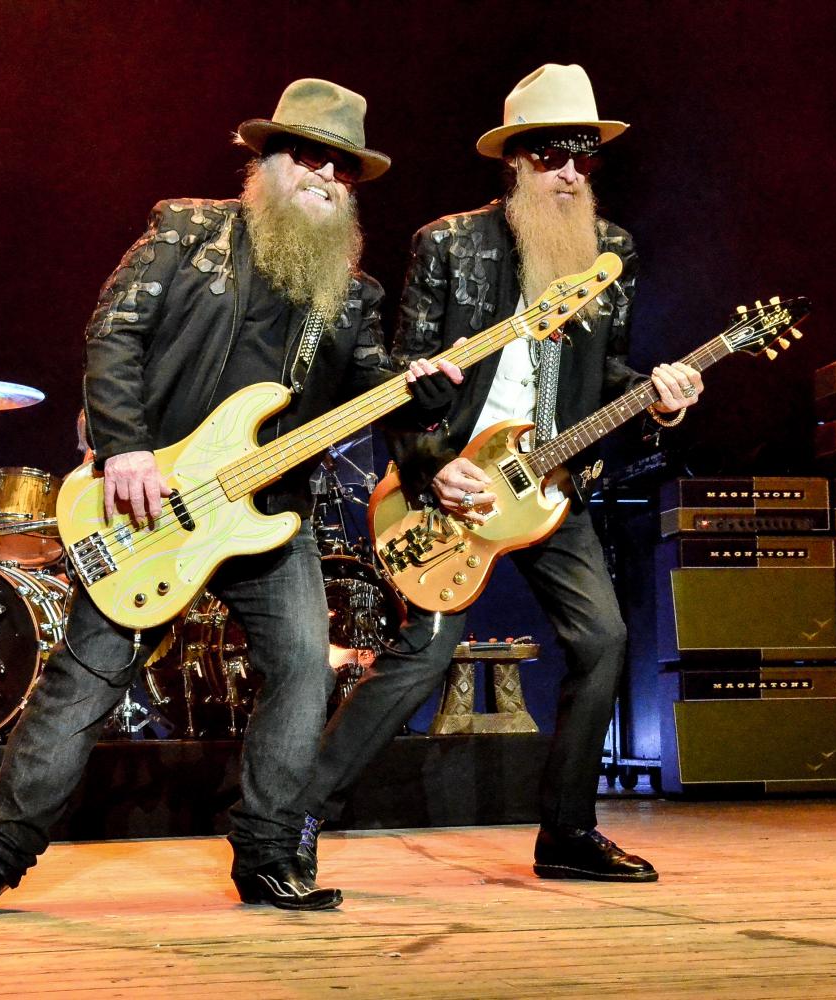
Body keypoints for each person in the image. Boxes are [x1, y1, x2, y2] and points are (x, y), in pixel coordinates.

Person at [0, 78, 458, 915]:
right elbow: (114, 331)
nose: (326, 177)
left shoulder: (352, 296)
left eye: (344, 170)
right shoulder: (188, 228)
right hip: (152, 501)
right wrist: (125, 447)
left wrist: (425, 389)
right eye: (309, 157)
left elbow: (373, 386)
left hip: (267, 514)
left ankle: (264, 856)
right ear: (267, 161)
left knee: (302, 672)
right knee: (86, 678)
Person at [296, 63, 703, 884]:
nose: (569, 173)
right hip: (454, 481)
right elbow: (400, 379)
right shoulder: (451, 245)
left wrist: (660, 398)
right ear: (513, 159)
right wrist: (434, 468)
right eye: (552, 155)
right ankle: (297, 815)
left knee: (604, 641)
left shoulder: (610, 252)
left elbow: (609, 373)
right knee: (422, 654)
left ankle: (566, 835)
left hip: (552, 483)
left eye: (584, 159)